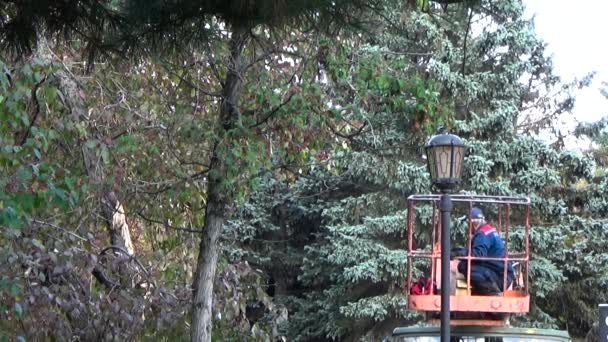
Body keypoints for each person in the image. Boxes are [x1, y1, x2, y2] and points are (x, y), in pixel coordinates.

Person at [451, 207, 514, 295]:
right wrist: (458, 251)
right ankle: (484, 289)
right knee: (465, 264)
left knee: (464, 266)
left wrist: (457, 254)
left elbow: (478, 254)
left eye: (468, 224)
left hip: (500, 278)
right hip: (502, 274)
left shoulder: (483, 234)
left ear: (472, 223)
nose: (467, 227)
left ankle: (491, 291)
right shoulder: (487, 231)